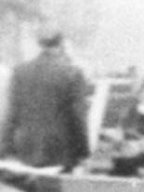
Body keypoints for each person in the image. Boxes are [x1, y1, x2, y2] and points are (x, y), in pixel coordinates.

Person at [0, 27, 93, 171]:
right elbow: (78, 116)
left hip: (25, 149)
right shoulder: (72, 73)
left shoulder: (20, 72)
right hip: (60, 151)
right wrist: (83, 151)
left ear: (39, 44)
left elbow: (11, 113)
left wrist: (3, 147)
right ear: (61, 44)